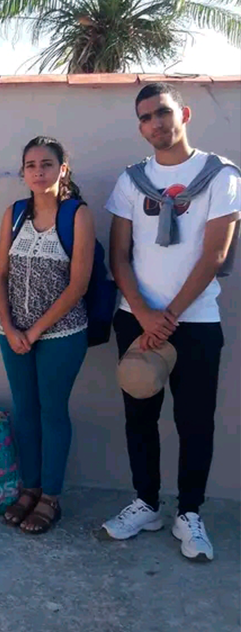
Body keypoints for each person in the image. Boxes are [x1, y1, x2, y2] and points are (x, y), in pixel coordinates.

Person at [100, 83, 240, 561]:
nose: (155, 123)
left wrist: (170, 317)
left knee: (194, 421)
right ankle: (146, 503)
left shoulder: (220, 175)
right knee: (139, 417)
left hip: (196, 323)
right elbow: (119, 255)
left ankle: (190, 513)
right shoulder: (131, 180)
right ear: (139, 127)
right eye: (145, 118)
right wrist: (143, 313)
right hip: (134, 320)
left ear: (183, 113)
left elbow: (215, 254)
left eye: (161, 113)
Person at [0, 137, 95, 534]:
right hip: (13, 334)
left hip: (62, 335)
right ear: (23, 172)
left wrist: (34, 330)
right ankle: (29, 488)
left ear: (62, 170)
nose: (38, 171)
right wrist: (11, 326)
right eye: (31, 165)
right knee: (25, 412)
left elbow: (78, 285)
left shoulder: (77, 216)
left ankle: (50, 496)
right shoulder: (15, 214)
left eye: (47, 164)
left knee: (52, 412)